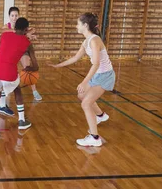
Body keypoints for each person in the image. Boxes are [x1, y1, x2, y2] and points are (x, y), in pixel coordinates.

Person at [49, 13, 115, 147]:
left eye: (78, 23)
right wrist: (58, 65)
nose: (76, 26)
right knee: (81, 96)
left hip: (105, 75)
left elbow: (96, 63)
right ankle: (101, 116)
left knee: (86, 104)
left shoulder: (95, 41)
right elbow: (75, 58)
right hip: (98, 75)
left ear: (85, 25)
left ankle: (94, 138)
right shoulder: (86, 42)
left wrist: (84, 82)